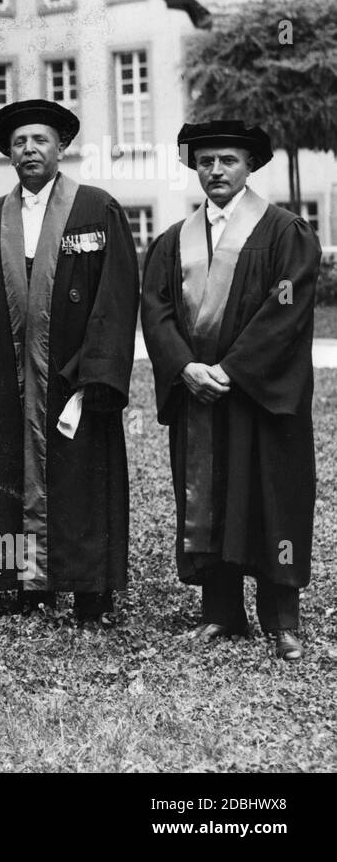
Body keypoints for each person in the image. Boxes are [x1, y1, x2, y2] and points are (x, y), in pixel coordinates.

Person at [0, 99, 137, 622]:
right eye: (18, 143)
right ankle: (27, 586)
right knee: (11, 472)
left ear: (62, 147)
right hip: (11, 378)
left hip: (74, 378)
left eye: (40, 140)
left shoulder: (97, 209)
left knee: (83, 477)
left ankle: (90, 591)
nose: (29, 149)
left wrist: (98, 371)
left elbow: (117, 297)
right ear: (8, 154)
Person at [140, 121, 319, 660]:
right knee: (208, 496)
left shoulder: (285, 231)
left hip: (260, 398)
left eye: (228, 161)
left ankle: (281, 618)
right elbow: (157, 310)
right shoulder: (173, 240)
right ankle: (221, 613)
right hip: (200, 394)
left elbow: (287, 310)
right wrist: (185, 367)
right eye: (205, 161)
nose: (215, 170)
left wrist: (232, 370)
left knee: (272, 498)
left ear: (250, 166)